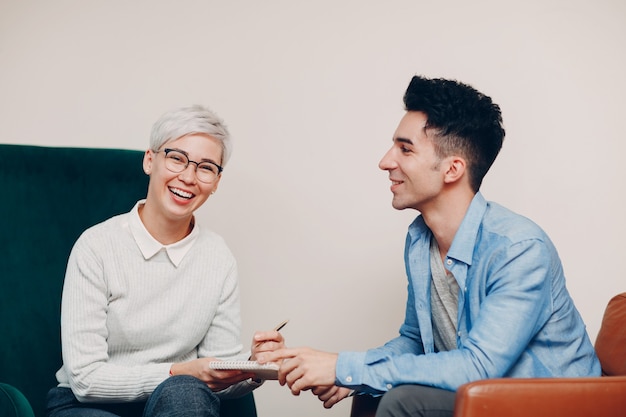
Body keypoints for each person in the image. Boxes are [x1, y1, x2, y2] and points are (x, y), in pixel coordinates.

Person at [256, 76, 601, 417]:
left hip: (554, 404)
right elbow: (415, 341)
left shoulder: (519, 249)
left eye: (405, 149)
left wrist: (346, 367)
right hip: (486, 398)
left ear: (452, 169)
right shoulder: (420, 240)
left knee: (401, 400)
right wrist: (348, 375)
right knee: (374, 393)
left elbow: (480, 366)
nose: (386, 161)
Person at [46, 105, 284, 417]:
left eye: (206, 167)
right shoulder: (96, 246)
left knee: (187, 392)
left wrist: (253, 367)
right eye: (177, 158)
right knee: (186, 385)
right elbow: (85, 380)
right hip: (88, 405)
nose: (188, 177)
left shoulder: (217, 257)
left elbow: (215, 374)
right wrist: (181, 371)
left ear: (216, 181)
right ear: (150, 160)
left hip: (181, 403)